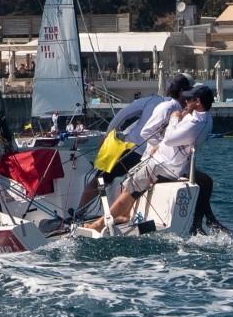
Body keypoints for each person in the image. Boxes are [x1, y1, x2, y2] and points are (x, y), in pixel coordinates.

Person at [84, 85, 213, 232]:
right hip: (172, 163)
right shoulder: (207, 119)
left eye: (190, 99)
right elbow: (182, 141)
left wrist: (174, 119)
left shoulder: (194, 123)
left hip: (163, 165)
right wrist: (160, 146)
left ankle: (99, 224)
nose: (186, 102)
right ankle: (124, 215)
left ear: (198, 102)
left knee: (130, 188)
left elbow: (170, 139)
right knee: (130, 181)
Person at [76, 74, 191, 213]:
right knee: (132, 184)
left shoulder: (154, 101)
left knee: (99, 180)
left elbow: (123, 115)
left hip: (133, 150)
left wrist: (107, 135)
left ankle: (79, 213)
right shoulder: (185, 113)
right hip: (155, 157)